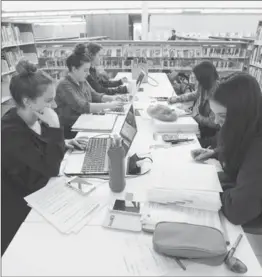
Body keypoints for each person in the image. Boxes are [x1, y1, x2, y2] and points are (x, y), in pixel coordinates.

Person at [1, 59, 86, 255]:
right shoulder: (9, 132)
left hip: (42, 191)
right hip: (22, 213)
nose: (54, 105)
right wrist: (56, 130)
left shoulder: (36, 117)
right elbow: (50, 168)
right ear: (27, 101)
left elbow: (39, 147)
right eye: (49, 100)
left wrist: (63, 143)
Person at [193, 73, 262, 226]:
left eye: (223, 116)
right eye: (215, 114)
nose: (217, 122)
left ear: (242, 113)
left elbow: (238, 209)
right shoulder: (248, 126)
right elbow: (241, 148)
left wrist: (216, 182)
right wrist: (216, 152)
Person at [55, 44, 125, 139]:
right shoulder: (64, 85)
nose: (88, 73)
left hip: (84, 124)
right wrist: (110, 105)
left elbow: (95, 95)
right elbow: (82, 106)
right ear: (74, 69)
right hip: (71, 132)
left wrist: (113, 98)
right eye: (85, 70)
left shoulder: (82, 80)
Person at [168, 61, 220, 147]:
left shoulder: (217, 94)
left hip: (209, 133)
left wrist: (195, 116)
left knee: (184, 144)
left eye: (198, 78)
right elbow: (195, 94)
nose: (196, 80)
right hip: (198, 122)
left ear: (204, 78)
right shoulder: (204, 85)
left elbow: (214, 124)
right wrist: (177, 99)